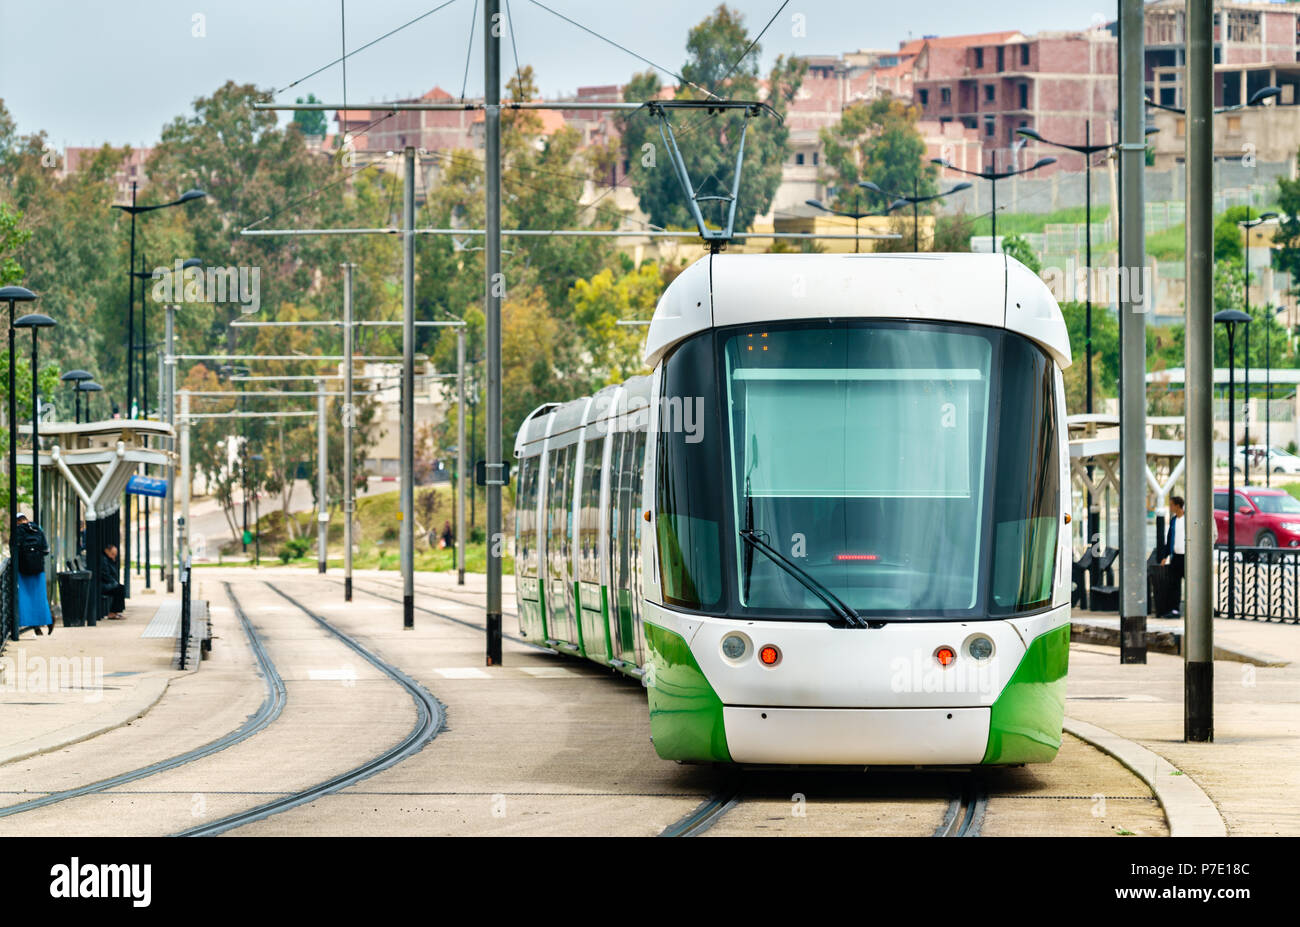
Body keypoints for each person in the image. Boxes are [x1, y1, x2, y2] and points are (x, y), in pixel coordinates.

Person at [13, 513, 54, 636]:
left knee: (25, 599)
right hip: (38, 569)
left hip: (23, 569)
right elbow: (46, 550)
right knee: (40, 598)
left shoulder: (17, 531)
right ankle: (48, 620)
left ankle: (34, 625)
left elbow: (14, 548)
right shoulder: (37, 529)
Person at [1160, 496, 1185, 618]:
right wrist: (1165, 556)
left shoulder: (1187, 520)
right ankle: (1175, 610)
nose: (1170, 507)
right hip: (1176, 557)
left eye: (1171, 505)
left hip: (1187, 557)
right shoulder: (1174, 520)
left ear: (1177, 505)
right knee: (1174, 584)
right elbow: (1170, 538)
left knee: (1191, 583)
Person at [100, 542, 126, 619]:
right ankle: (113, 613)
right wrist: (114, 583)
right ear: (107, 551)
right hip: (102, 585)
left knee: (120, 587)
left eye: (115, 554)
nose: (114, 556)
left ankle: (115, 612)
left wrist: (113, 560)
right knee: (119, 589)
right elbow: (106, 575)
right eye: (112, 554)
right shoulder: (104, 559)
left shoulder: (107, 559)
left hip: (105, 583)